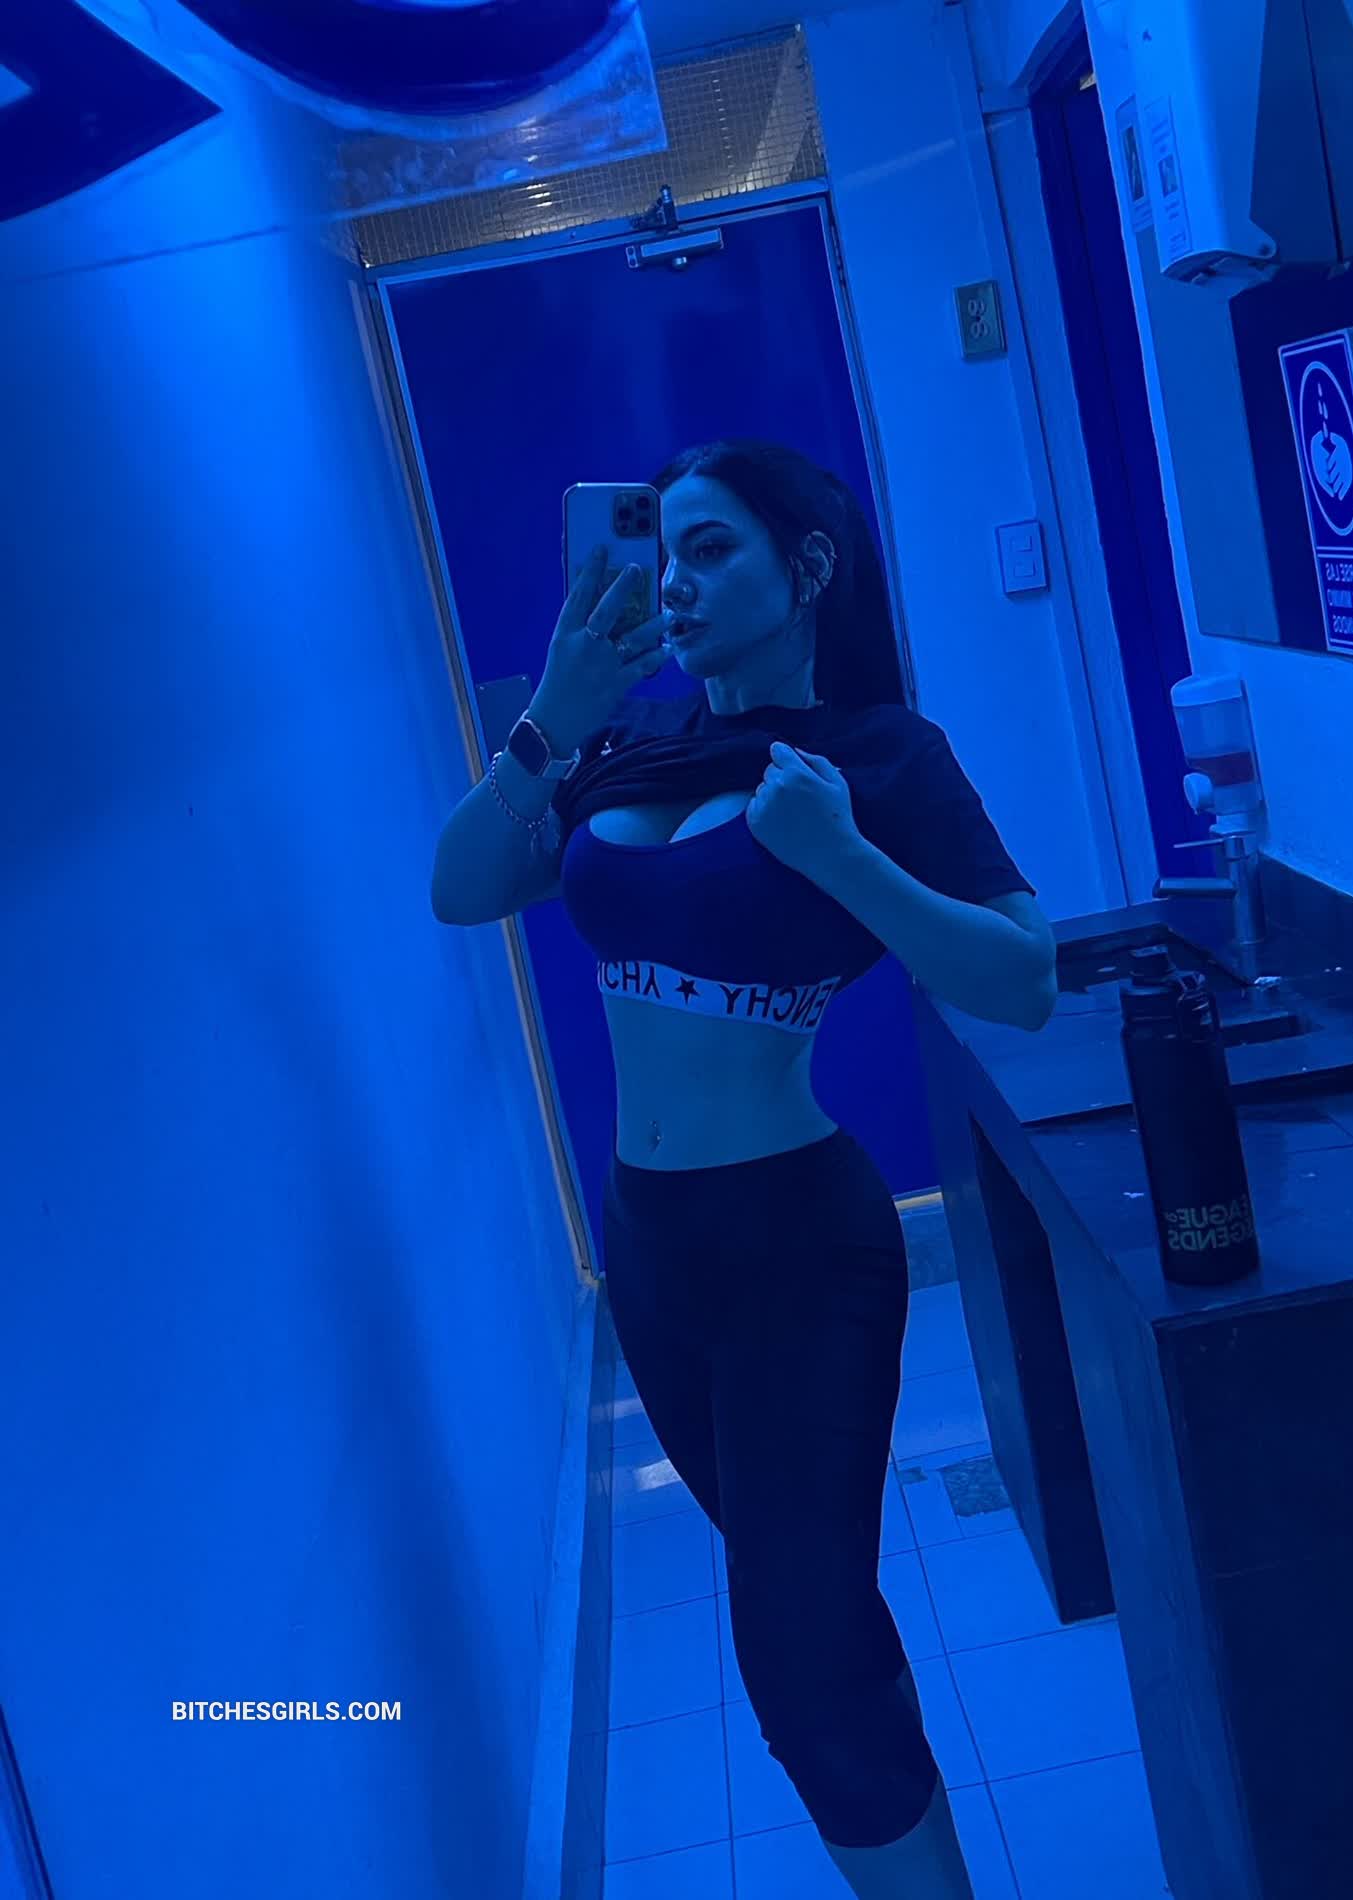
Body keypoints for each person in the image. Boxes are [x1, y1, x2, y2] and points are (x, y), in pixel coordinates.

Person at [431, 440, 1057, 1898]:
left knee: (795, 1656)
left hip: (797, 1250)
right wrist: (555, 717)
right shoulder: (622, 743)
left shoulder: (878, 756)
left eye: (712, 550)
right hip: (649, 1251)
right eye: (664, 554)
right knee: (816, 1621)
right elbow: (462, 886)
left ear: (808, 568)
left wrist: (841, 858)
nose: (676, 583)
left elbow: (1023, 979)